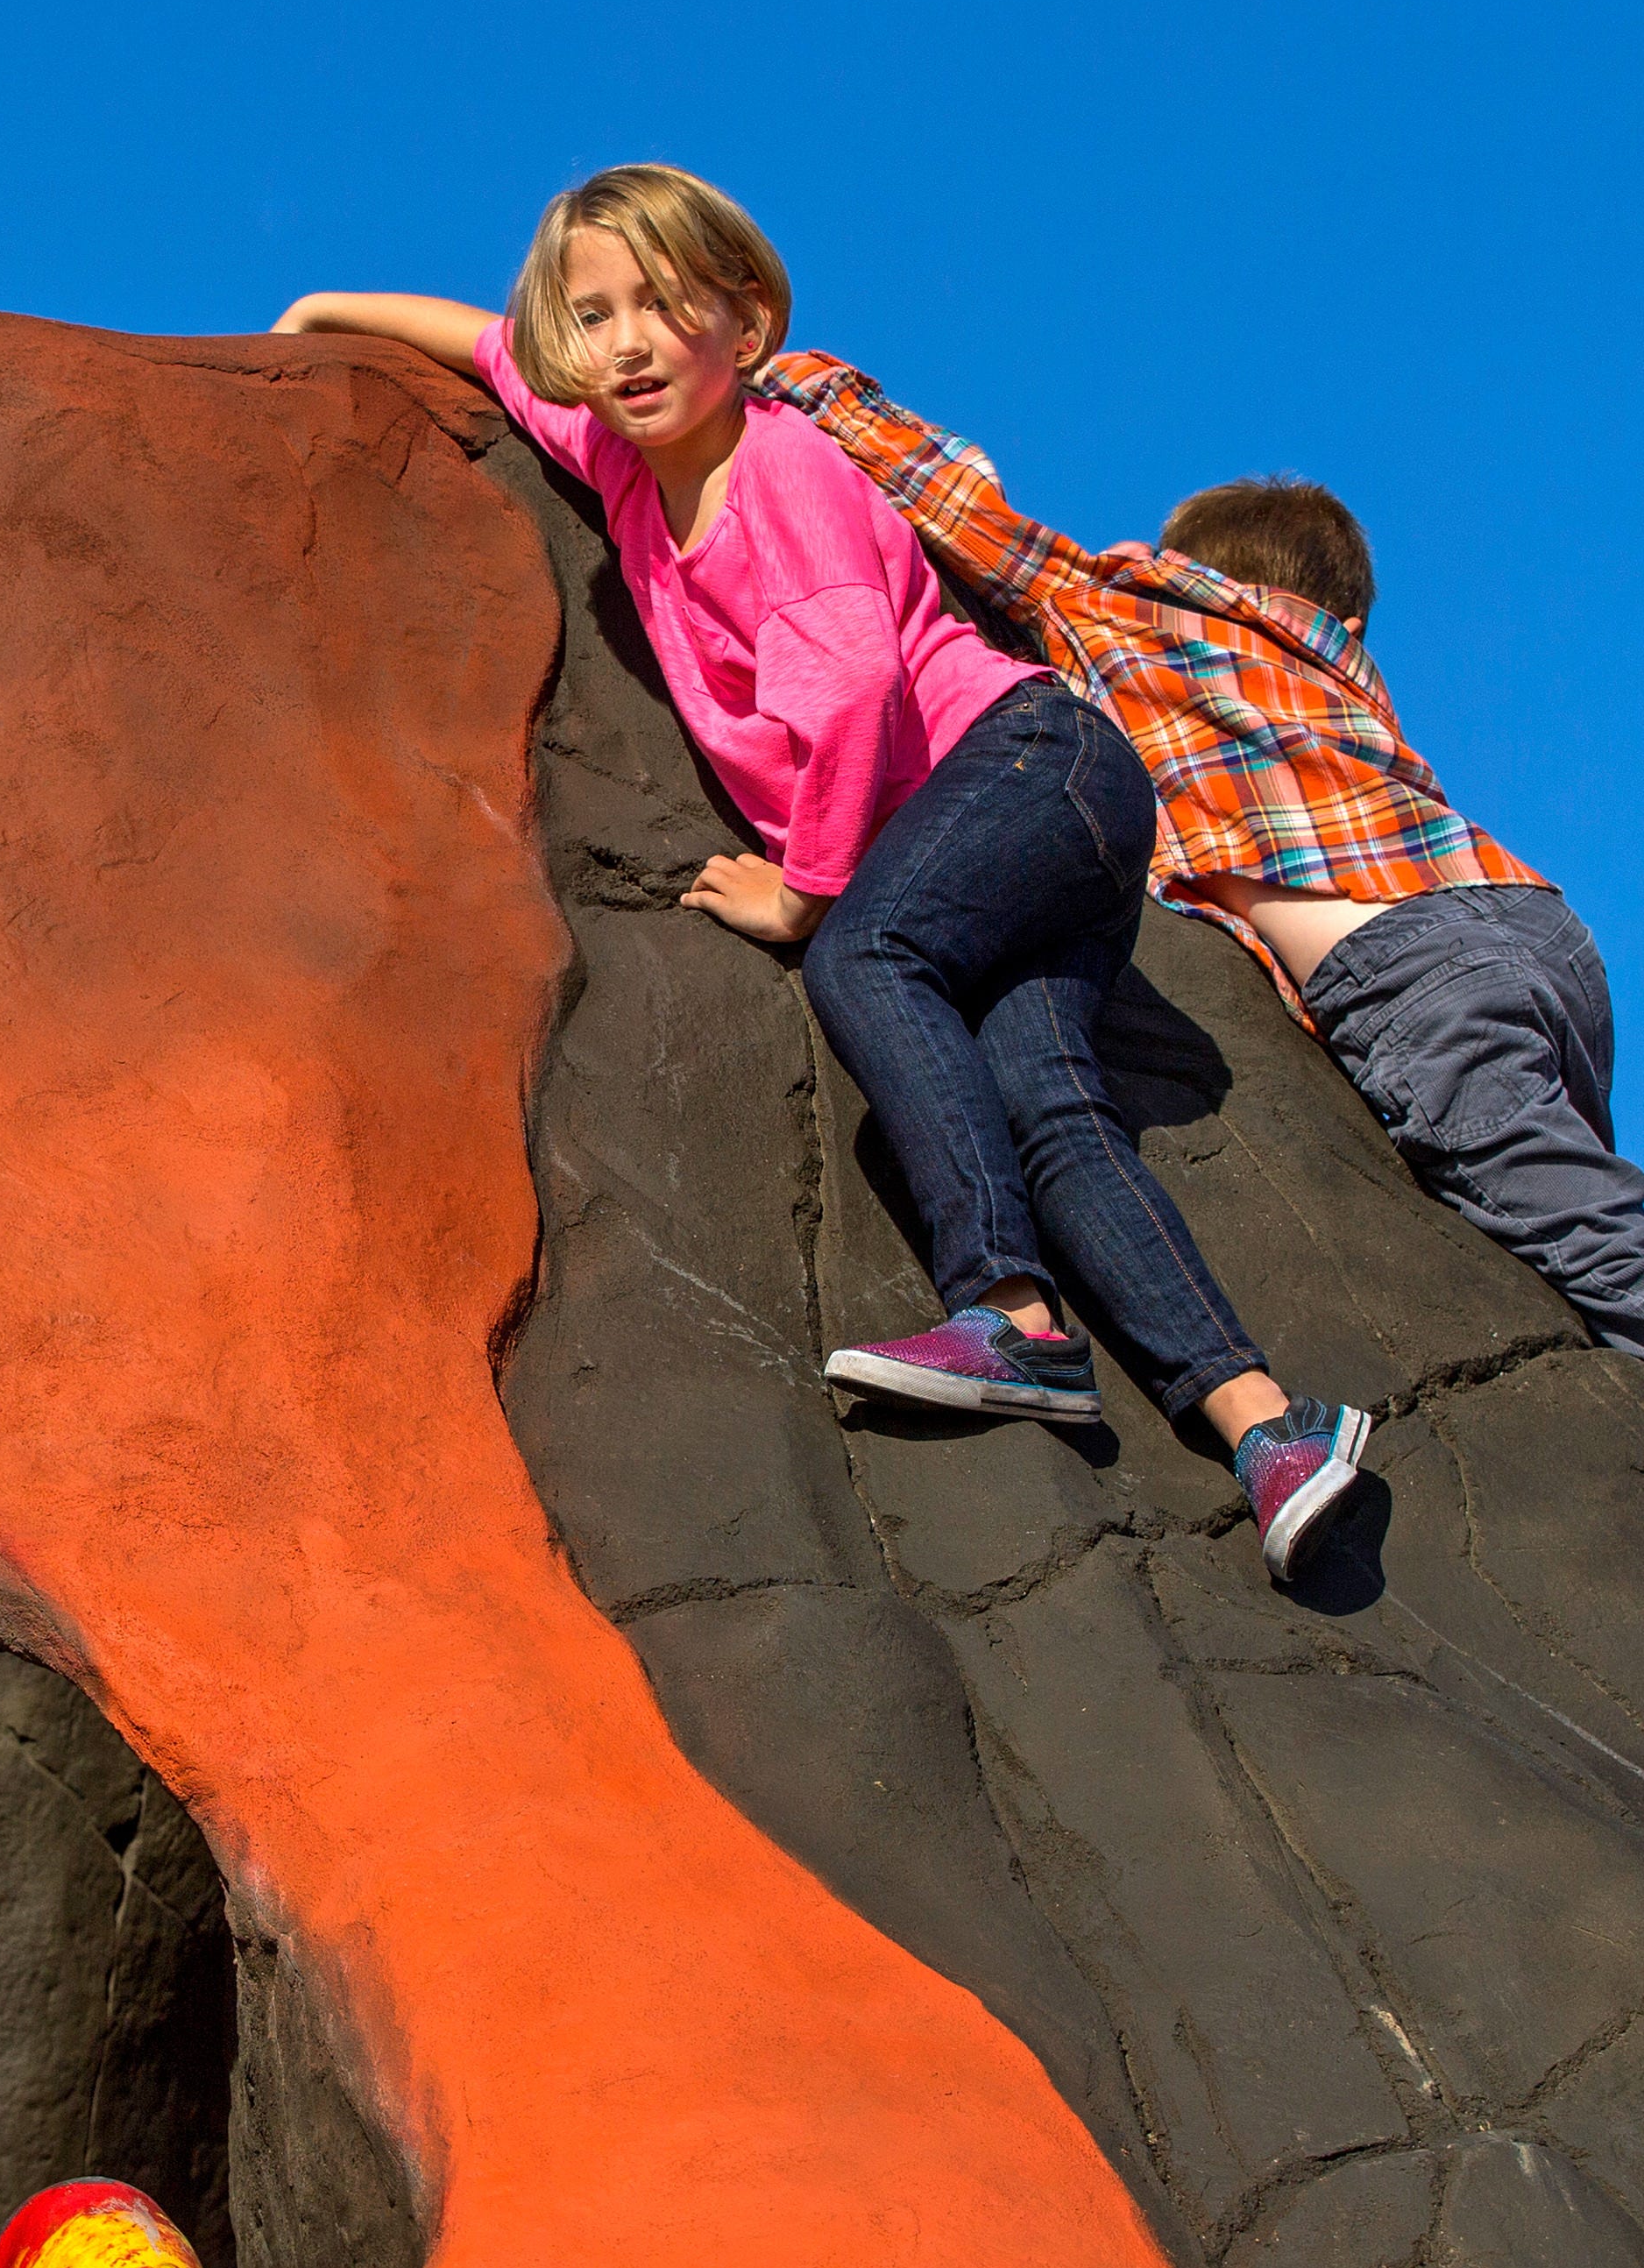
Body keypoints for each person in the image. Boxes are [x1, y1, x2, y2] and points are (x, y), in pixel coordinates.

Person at [752, 354, 1644, 1680]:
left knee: (1586, 1238)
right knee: (1569, 1233)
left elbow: (950, 496)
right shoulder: (1342, 675)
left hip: (1403, 966)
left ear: (1192, 562)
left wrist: (773, 364)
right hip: (1538, 934)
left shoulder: (1143, 608)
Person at [277, 167, 1378, 1581]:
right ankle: (1268, 1426)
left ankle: (1012, 1318)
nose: (625, 344)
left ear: (743, 321)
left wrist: (803, 890)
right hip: (1022, 840)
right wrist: (325, 309)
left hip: (1028, 767)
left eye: (663, 307)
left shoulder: (776, 469)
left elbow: (856, 689)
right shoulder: (619, 460)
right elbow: (484, 341)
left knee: (867, 955)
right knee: (1053, 1105)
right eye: (594, 314)